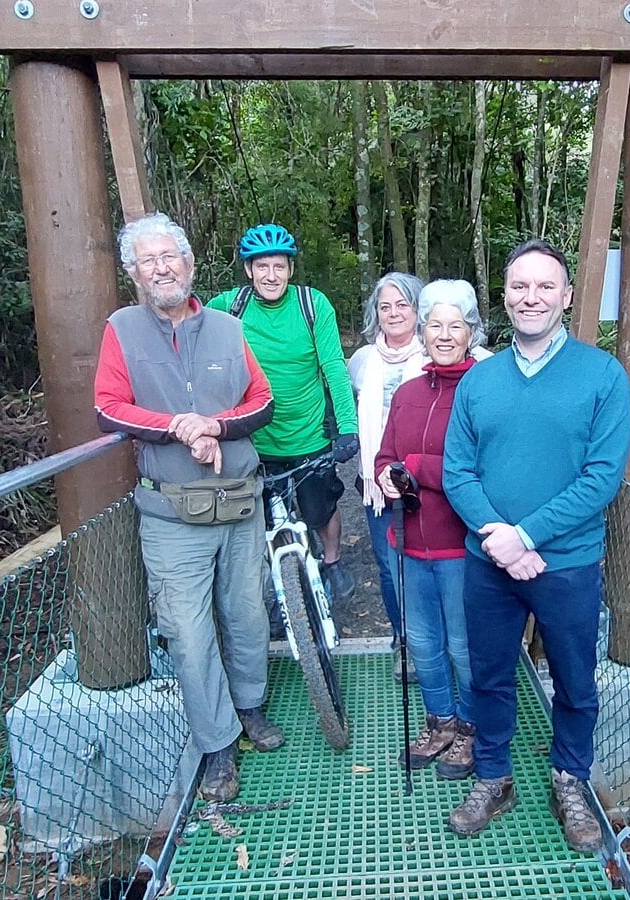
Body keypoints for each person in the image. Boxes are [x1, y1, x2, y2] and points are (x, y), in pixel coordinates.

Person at [441, 239, 630, 854]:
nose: (532, 297)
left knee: (576, 681)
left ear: (567, 297)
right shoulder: (480, 380)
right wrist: (499, 539)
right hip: (489, 563)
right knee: (490, 676)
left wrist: (524, 536)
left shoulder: (602, 375)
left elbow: (602, 477)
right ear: (505, 295)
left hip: (567, 563)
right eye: (520, 286)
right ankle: (494, 777)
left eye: (545, 287)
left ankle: (570, 780)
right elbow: (457, 472)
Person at [96, 213, 286, 804]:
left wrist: (215, 424)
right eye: (147, 260)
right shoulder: (122, 329)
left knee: (248, 610)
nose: (160, 268)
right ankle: (217, 740)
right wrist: (180, 427)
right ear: (134, 273)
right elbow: (108, 407)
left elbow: (263, 402)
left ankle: (250, 704)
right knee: (186, 628)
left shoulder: (229, 328)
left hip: (239, 504)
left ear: (190, 263)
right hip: (171, 514)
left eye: (169, 256)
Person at [372, 280, 492, 777]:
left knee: (463, 643)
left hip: (460, 545)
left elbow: (484, 469)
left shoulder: (484, 390)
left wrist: (415, 467)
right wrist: (385, 473)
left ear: (470, 332)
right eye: (435, 325)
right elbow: (385, 453)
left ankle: (470, 725)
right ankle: (439, 719)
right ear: (422, 331)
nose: (444, 335)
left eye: (455, 326)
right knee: (422, 641)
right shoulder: (407, 392)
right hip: (409, 539)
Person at [208, 224, 361, 602]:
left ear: (290, 269)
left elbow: (333, 367)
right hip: (253, 438)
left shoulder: (312, 305)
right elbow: (190, 331)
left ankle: (333, 561)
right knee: (253, 518)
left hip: (307, 434)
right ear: (249, 271)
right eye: (262, 267)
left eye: (278, 266)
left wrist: (347, 427)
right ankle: (273, 585)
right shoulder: (228, 307)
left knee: (321, 509)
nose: (270, 275)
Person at [348, 271, 428, 651]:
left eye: (402, 304)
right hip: (376, 482)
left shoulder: (435, 351)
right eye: (385, 306)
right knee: (387, 562)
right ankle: (404, 638)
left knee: (428, 562)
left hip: (426, 481)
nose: (394, 313)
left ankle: (433, 640)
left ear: (418, 308)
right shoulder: (361, 360)